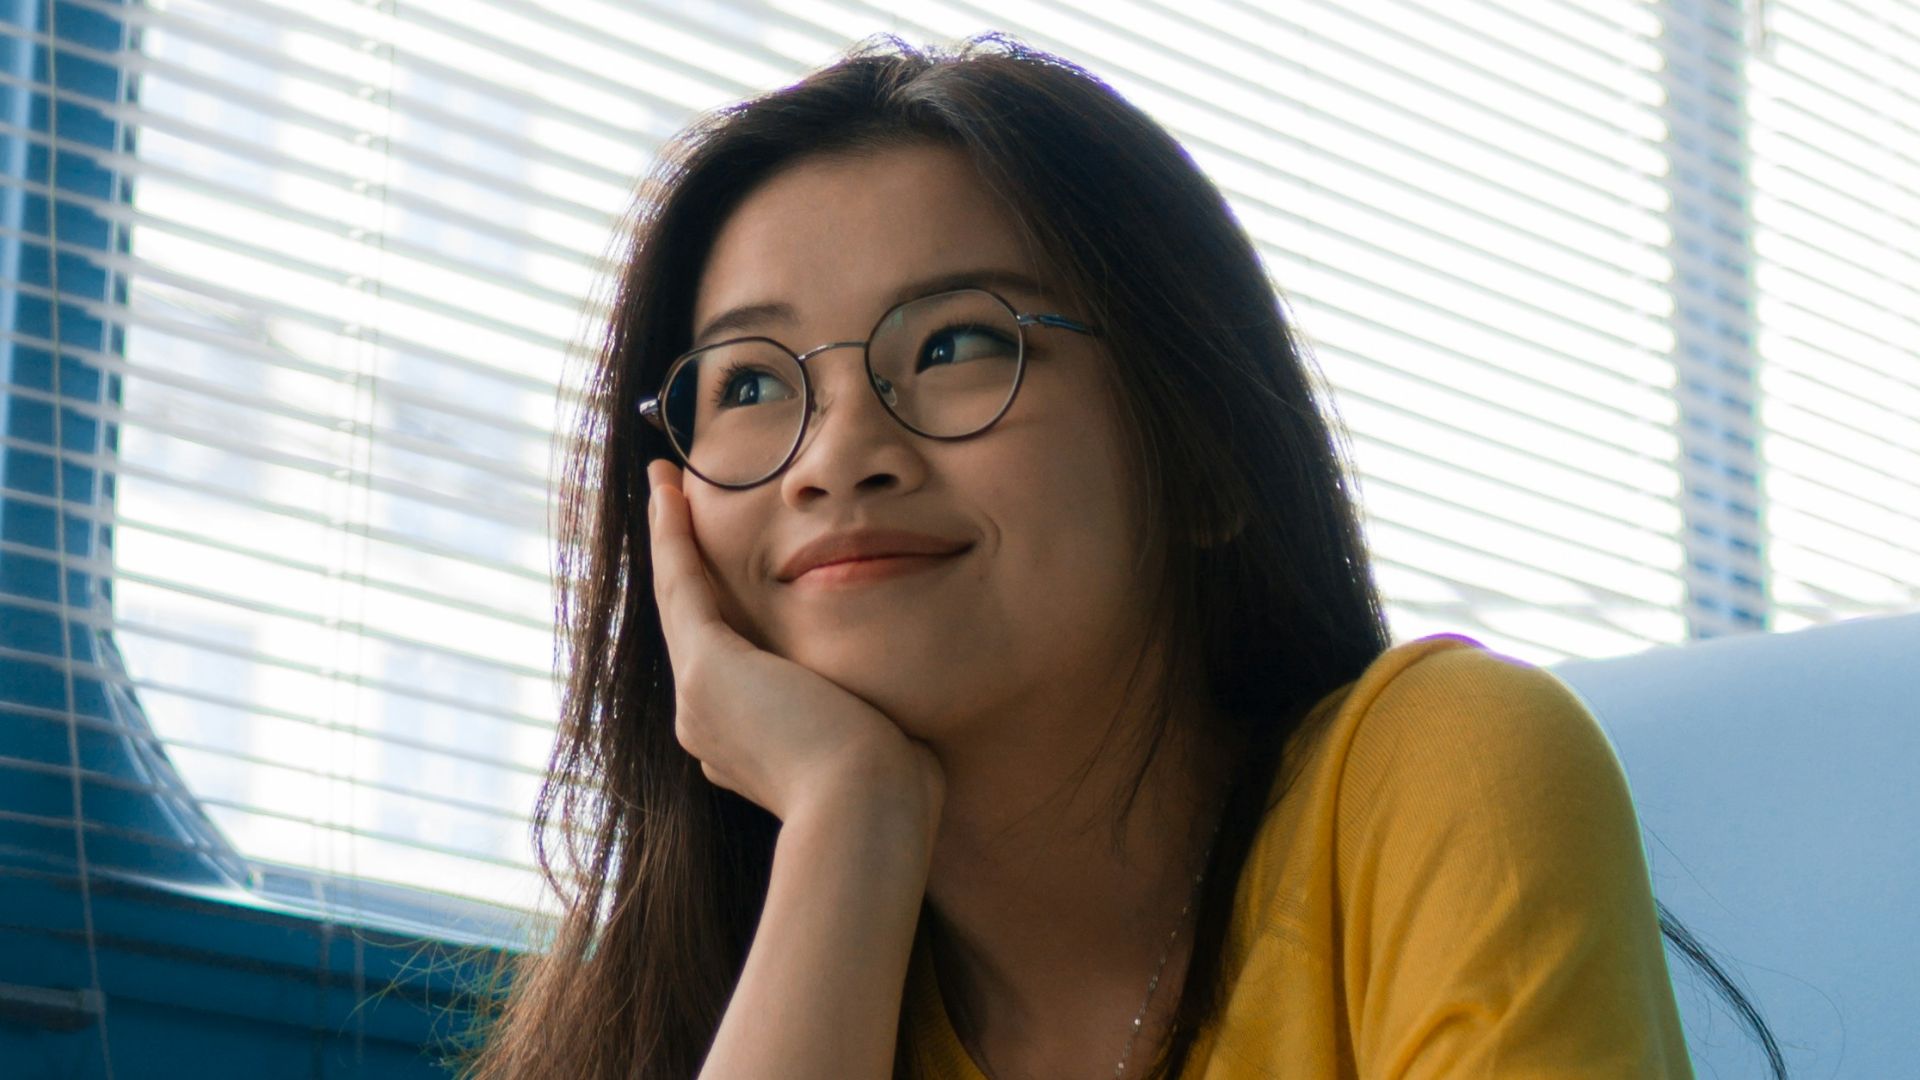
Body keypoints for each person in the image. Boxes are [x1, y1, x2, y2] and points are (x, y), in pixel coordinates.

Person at [454, 32, 1785, 1080]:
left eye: (961, 344)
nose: (834, 453)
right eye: (749, 383)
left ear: (1199, 459)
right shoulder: (727, 978)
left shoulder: (1447, 764)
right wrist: (852, 820)